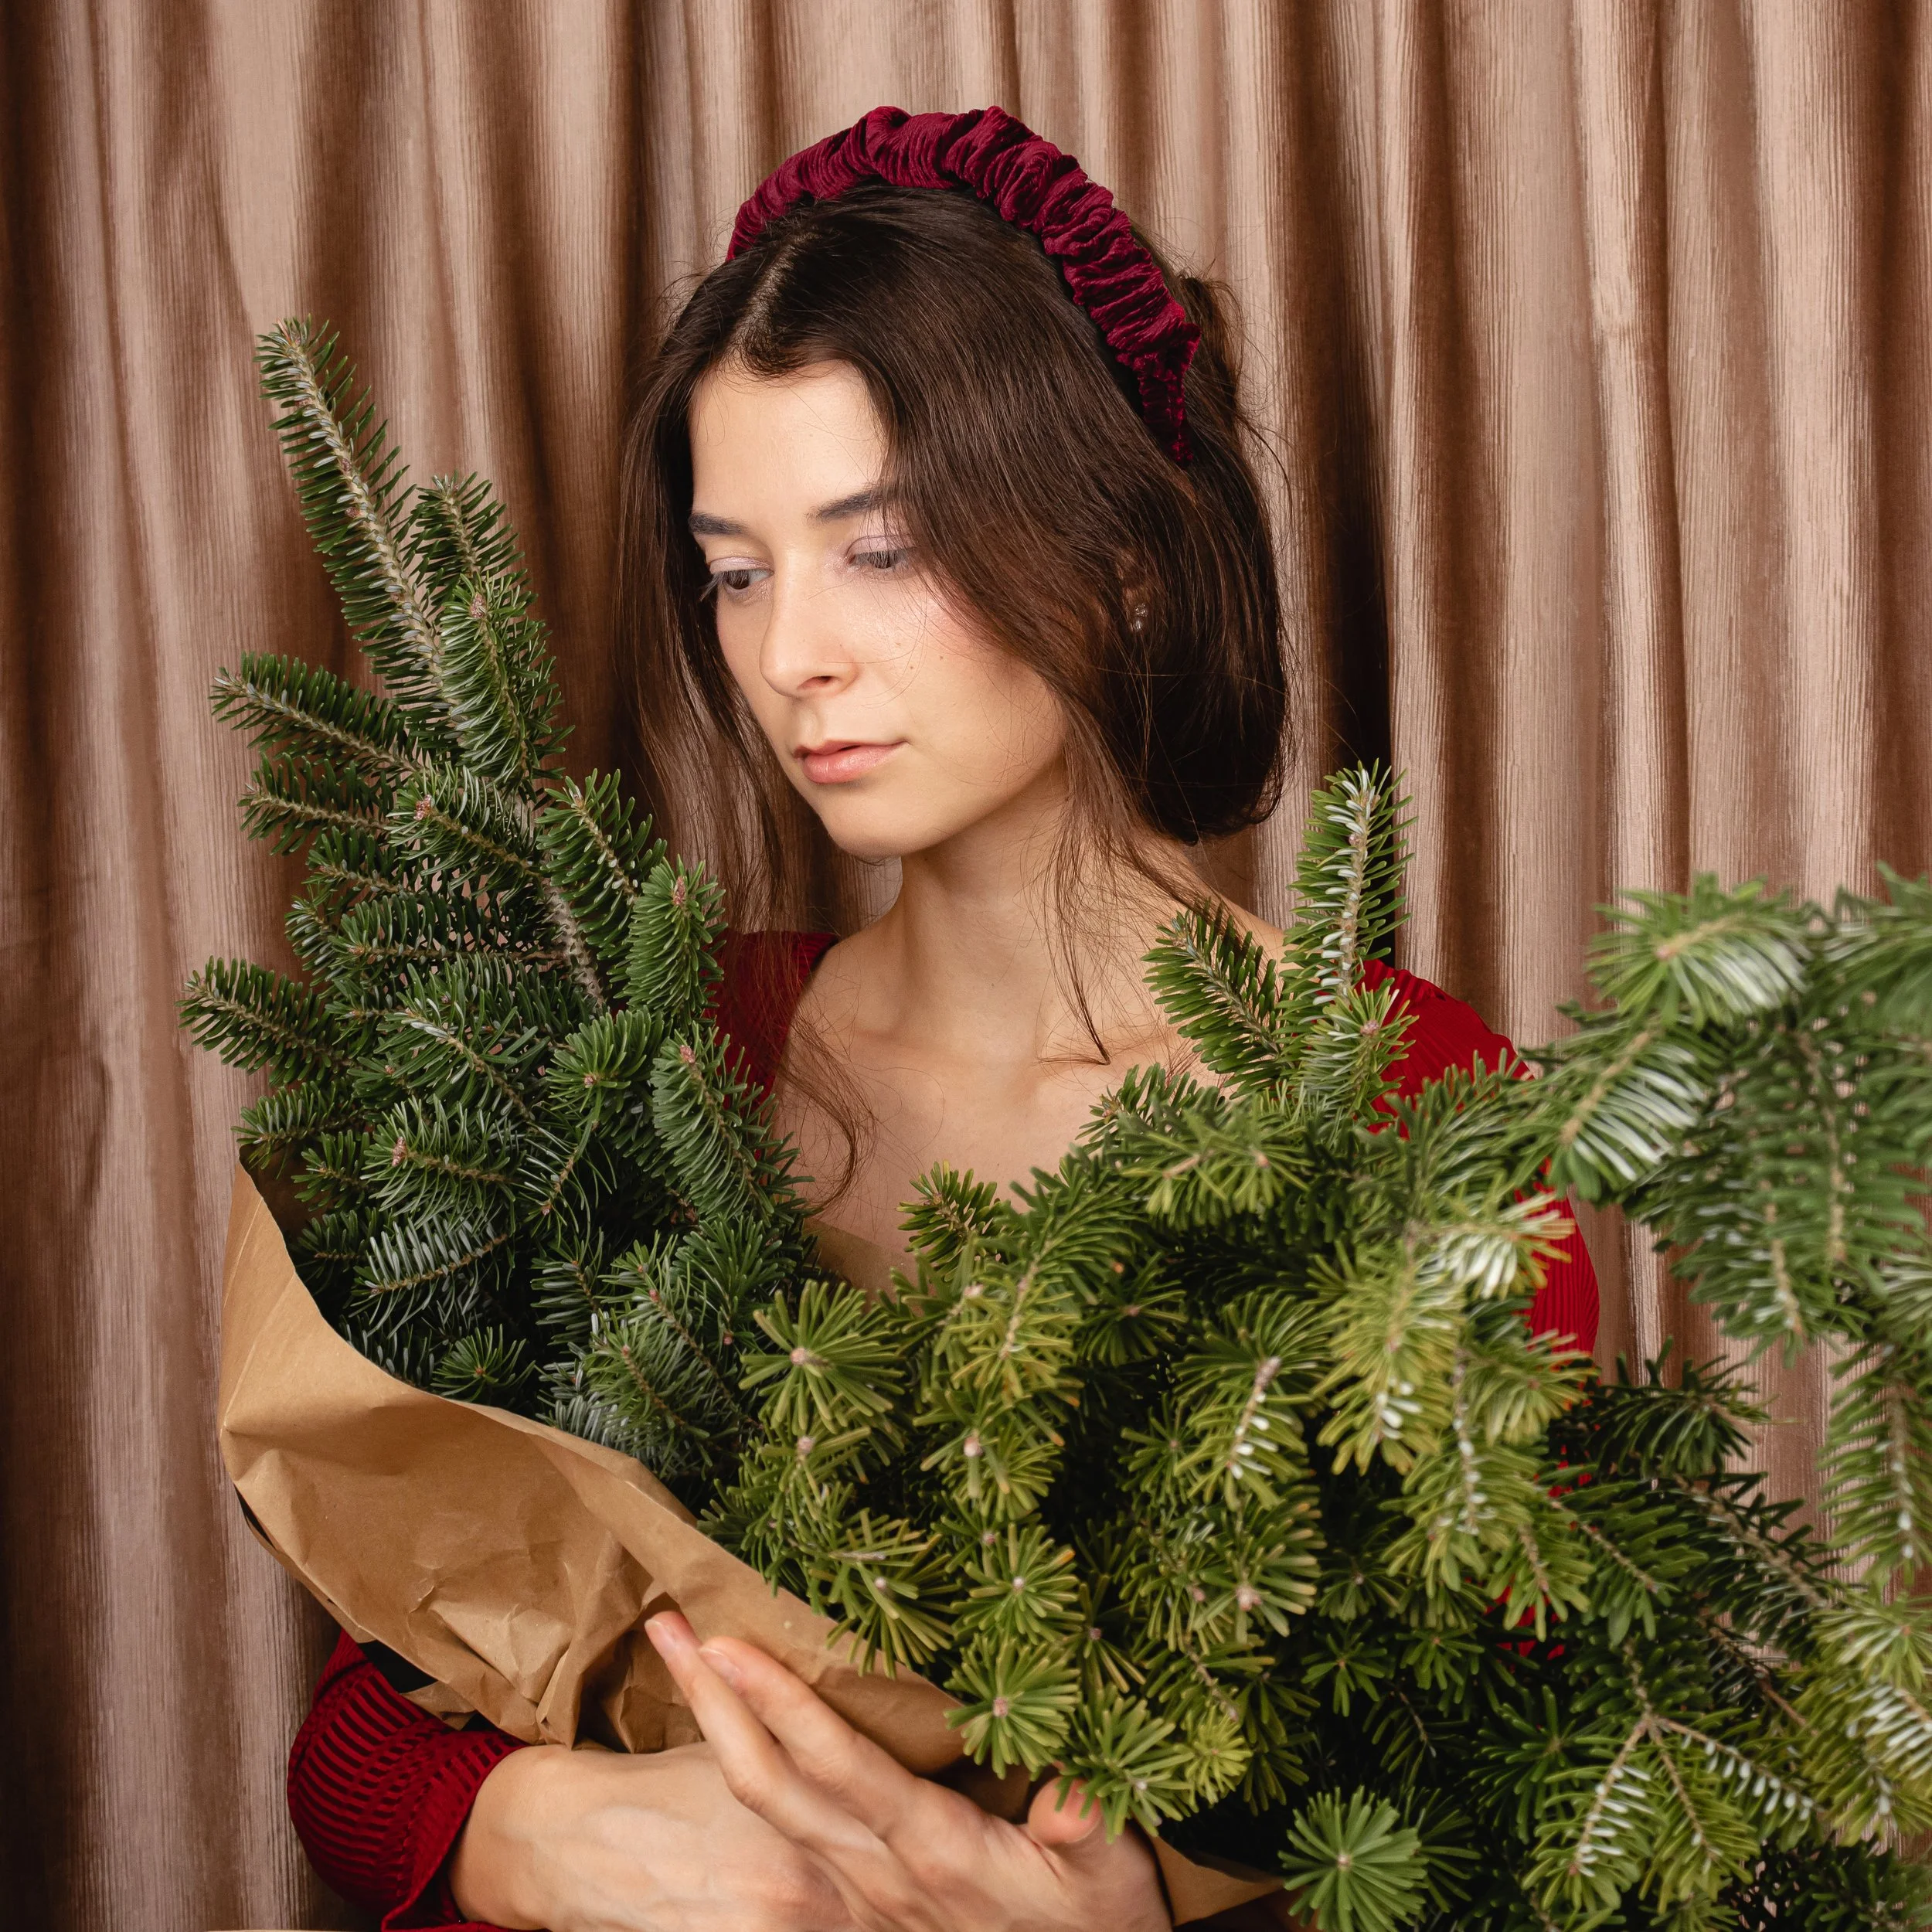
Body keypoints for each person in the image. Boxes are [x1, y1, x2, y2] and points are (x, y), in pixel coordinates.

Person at [287, 106, 1598, 1932]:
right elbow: (379, 1700)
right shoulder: (679, 1043)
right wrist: (519, 1825)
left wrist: (1129, 1907)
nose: (785, 656)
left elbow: (1528, 1785)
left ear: (1123, 554)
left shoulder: (1404, 1100)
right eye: (735, 567)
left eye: (878, 549)